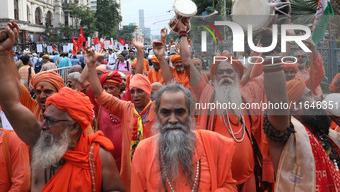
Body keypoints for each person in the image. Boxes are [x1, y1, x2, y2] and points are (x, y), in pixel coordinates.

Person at [0, 22, 125, 192]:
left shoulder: (98, 157)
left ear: (73, 127)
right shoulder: (40, 139)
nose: (42, 125)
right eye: (45, 118)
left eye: (50, 121)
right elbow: (10, 105)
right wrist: (3, 53)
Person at [174, 19, 269, 191]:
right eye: (220, 72)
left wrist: (275, 33)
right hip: (217, 179)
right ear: (214, 76)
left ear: (238, 75)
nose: (225, 75)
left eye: (229, 71)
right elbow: (187, 61)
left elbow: (272, 71)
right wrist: (183, 33)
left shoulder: (248, 92)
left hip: (248, 178)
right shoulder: (206, 92)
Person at [131, 83, 237, 191]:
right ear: (157, 115)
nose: (172, 120)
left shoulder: (213, 144)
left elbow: (229, 186)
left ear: (190, 113)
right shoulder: (143, 150)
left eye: (180, 112)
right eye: (165, 113)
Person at [86, 37, 155, 192]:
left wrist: (139, 51)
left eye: (140, 91)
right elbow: (98, 94)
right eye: (133, 92)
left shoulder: (159, 110)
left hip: (151, 166)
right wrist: (91, 65)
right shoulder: (125, 108)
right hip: (123, 165)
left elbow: (138, 78)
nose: (136, 95)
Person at [263, 59, 340, 190]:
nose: (318, 98)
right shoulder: (288, 138)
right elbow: (277, 107)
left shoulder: (327, 136)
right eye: (310, 96)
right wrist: (272, 57)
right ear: (295, 107)